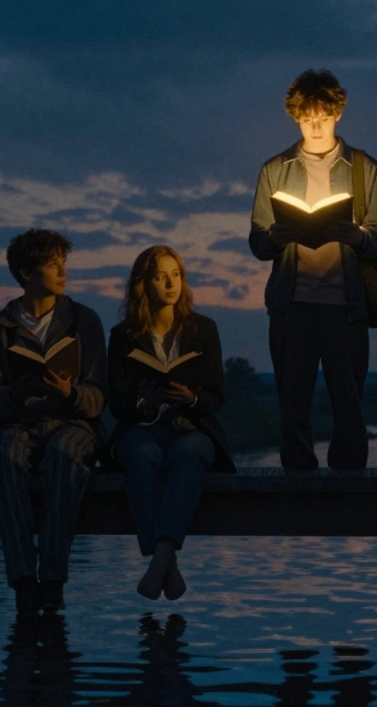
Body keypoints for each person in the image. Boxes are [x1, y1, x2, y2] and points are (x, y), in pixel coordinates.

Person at [248, 68, 377, 470]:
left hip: (346, 304)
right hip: (291, 304)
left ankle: (349, 485)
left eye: (323, 116)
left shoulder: (365, 169)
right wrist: (276, 237)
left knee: (349, 402)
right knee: (292, 402)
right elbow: (258, 241)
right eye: (307, 116)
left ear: (337, 115)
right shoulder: (274, 169)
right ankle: (298, 485)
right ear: (295, 116)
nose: (315, 124)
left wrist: (358, 237)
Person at [0, 228, 108, 617]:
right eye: (52, 264)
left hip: (71, 423)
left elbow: (98, 397)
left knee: (66, 454)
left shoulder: (84, 320)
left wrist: (69, 393)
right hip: (16, 423)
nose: (63, 271)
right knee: (3, 457)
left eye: (63, 262)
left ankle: (52, 578)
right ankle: (22, 582)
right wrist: (17, 393)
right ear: (25, 272)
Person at [107, 245, 234, 601]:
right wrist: (143, 403)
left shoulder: (203, 329)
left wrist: (191, 399)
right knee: (142, 456)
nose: (170, 283)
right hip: (142, 429)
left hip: (192, 428)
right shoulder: (123, 336)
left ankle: (159, 558)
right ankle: (167, 562)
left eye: (175, 274)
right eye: (161, 276)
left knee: (189, 453)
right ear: (142, 284)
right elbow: (117, 403)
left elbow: (215, 397)